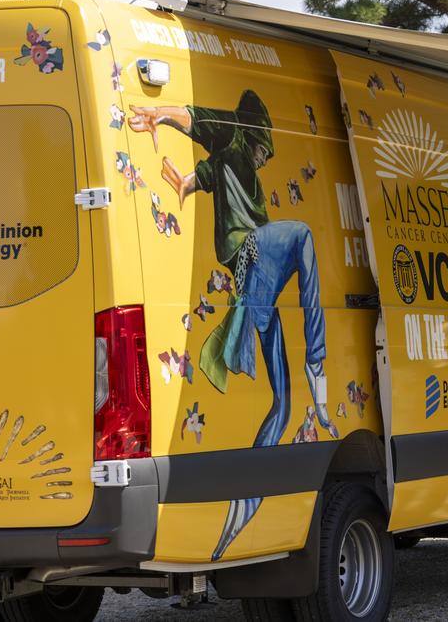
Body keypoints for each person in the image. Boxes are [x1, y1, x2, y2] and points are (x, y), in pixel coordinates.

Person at [128, 91, 330, 561]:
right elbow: (197, 118)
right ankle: (317, 364)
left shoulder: (228, 163)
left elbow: (208, 172)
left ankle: (240, 512)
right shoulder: (235, 135)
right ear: (253, 131)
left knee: (283, 404)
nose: (265, 156)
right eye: (265, 147)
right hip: (254, 251)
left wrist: (184, 182)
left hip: (253, 282)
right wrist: (160, 113)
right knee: (301, 235)